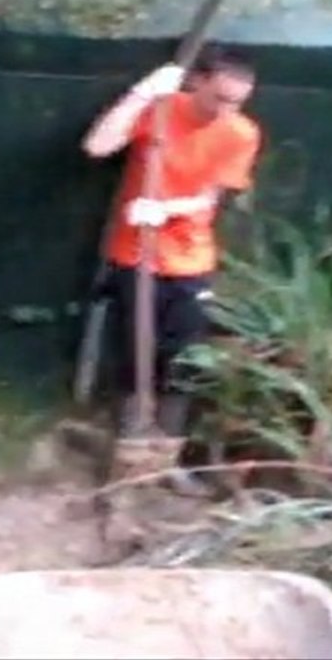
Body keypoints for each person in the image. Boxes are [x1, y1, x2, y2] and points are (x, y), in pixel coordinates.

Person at [81, 44, 262, 495]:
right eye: (219, 98)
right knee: (132, 359)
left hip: (189, 261)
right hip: (136, 259)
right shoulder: (161, 110)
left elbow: (210, 198)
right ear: (196, 81)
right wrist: (142, 93)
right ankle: (128, 460)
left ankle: (167, 460)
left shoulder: (240, 132)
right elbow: (98, 145)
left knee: (183, 364)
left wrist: (167, 207)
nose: (226, 110)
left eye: (236, 102)